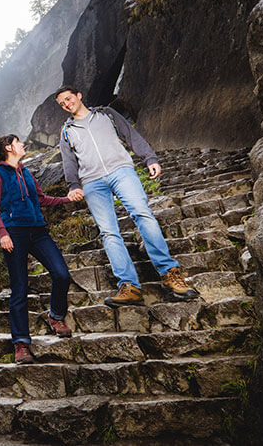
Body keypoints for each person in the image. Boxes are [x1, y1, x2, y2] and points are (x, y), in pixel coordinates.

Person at [54, 85, 198, 307]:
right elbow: (69, 162)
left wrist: (149, 158)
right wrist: (73, 185)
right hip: (92, 182)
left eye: (68, 98)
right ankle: (129, 286)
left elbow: (131, 135)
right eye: (62, 103)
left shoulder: (106, 114)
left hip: (121, 171)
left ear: (78, 96)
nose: (66, 104)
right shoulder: (66, 131)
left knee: (142, 214)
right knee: (109, 233)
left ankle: (170, 274)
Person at [0, 134, 74, 364]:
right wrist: (3, 233)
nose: (24, 145)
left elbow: (41, 199)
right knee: (19, 288)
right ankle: (21, 344)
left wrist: (67, 199)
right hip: (14, 234)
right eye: (19, 142)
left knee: (62, 274)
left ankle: (56, 316)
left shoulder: (27, 172)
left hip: (38, 231)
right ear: (10, 147)